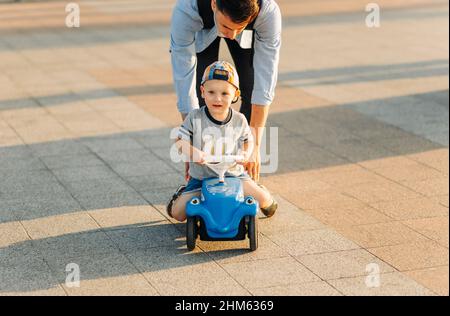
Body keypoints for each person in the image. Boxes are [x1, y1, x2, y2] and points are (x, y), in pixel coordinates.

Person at [170, 0, 281, 181]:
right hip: (202, 28)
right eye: (227, 27)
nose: (232, 35)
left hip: (248, 32)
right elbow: (184, 81)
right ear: (214, 4)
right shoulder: (187, 10)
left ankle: (238, 168)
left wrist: (255, 147)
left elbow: (265, 83)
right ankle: (209, 170)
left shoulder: (267, 12)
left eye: (239, 28)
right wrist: (192, 145)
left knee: (249, 85)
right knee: (205, 91)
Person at [167, 61, 278, 222]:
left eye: (225, 93)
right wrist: (193, 152)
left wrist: (246, 153)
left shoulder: (239, 120)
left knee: (267, 204)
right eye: (211, 92)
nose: (217, 98)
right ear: (202, 91)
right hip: (202, 178)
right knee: (177, 214)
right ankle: (181, 193)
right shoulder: (195, 117)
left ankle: (258, 190)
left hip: (234, 175)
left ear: (236, 95)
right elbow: (178, 139)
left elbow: (248, 140)